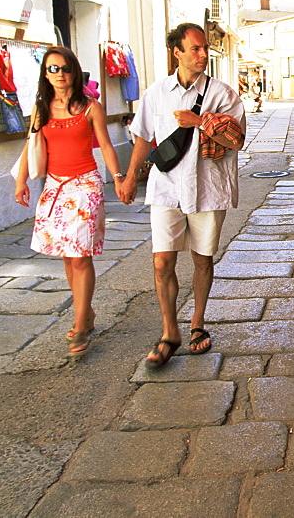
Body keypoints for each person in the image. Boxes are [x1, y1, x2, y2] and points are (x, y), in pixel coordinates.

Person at [119, 23, 246, 367]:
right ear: (177, 52)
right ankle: (169, 331)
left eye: (205, 48)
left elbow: (237, 140)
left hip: (208, 189)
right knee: (162, 260)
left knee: (202, 259)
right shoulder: (157, 93)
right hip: (165, 188)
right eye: (195, 49)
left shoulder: (222, 94)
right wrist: (130, 177)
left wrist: (200, 121)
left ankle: (197, 323)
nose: (203, 54)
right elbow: (143, 136)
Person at [14, 46, 125, 358]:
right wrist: (20, 180)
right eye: (52, 69)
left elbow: (105, 144)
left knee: (81, 256)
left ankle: (79, 324)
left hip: (84, 186)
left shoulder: (91, 108)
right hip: (55, 186)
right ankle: (86, 312)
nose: (59, 74)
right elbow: (30, 145)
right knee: (66, 256)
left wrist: (118, 177)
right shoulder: (41, 108)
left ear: (74, 71)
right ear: (45, 74)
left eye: (64, 68)